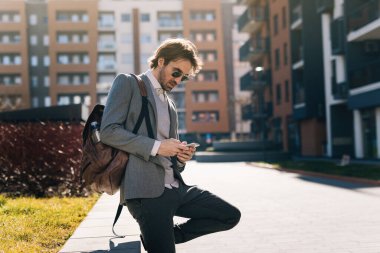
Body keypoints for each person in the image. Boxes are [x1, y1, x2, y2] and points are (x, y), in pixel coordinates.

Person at [100, 38, 240, 253]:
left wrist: (180, 157)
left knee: (229, 215)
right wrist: (157, 146)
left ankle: (163, 237)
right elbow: (108, 131)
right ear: (161, 61)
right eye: (176, 72)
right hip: (146, 192)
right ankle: (160, 239)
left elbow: (169, 151)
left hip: (177, 187)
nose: (178, 80)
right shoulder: (128, 83)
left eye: (183, 77)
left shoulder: (171, 103)